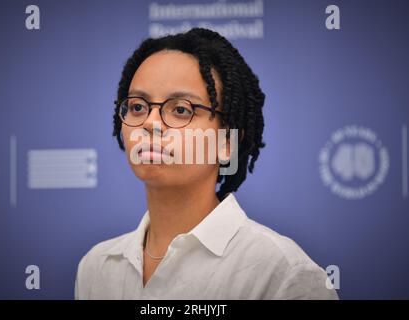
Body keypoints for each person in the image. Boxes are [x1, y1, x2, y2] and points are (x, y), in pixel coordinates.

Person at [74, 28, 339, 300]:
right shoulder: (97, 267)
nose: (150, 123)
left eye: (180, 110)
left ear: (227, 142)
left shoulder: (281, 272)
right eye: (138, 107)